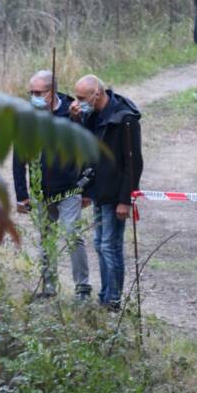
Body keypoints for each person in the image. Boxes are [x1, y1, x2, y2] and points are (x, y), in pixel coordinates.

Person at [12, 70, 91, 301]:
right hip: (40, 191)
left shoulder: (73, 111)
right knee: (46, 238)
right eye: (31, 92)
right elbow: (19, 157)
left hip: (68, 188)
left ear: (52, 92)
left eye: (38, 92)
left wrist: (86, 189)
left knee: (72, 235)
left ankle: (82, 288)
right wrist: (21, 194)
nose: (34, 96)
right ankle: (48, 286)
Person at [70, 75, 143, 311]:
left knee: (111, 246)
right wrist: (77, 119)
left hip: (115, 193)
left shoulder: (125, 119)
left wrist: (125, 199)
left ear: (97, 94)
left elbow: (134, 163)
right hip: (100, 190)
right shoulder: (92, 115)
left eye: (81, 98)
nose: (78, 102)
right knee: (100, 244)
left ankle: (113, 300)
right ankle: (104, 295)